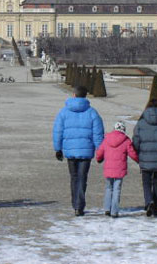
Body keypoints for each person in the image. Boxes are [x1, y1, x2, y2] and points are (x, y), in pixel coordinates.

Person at [53, 85, 105, 216]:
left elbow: (58, 132)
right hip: (86, 151)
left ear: (74, 95)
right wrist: (100, 151)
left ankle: (75, 203)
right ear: (86, 96)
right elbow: (98, 135)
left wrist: (58, 149)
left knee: (74, 178)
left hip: (70, 151)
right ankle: (79, 206)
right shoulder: (93, 112)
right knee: (82, 178)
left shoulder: (63, 112)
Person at [96, 121, 139, 218]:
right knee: (117, 189)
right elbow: (132, 153)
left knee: (108, 188)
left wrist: (99, 159)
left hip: (108, 168)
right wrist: (139, 160)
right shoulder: (126, 140)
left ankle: (107, 209)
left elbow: (100, 152)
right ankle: (114, 211)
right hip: (120, 169)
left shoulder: (106, 139)